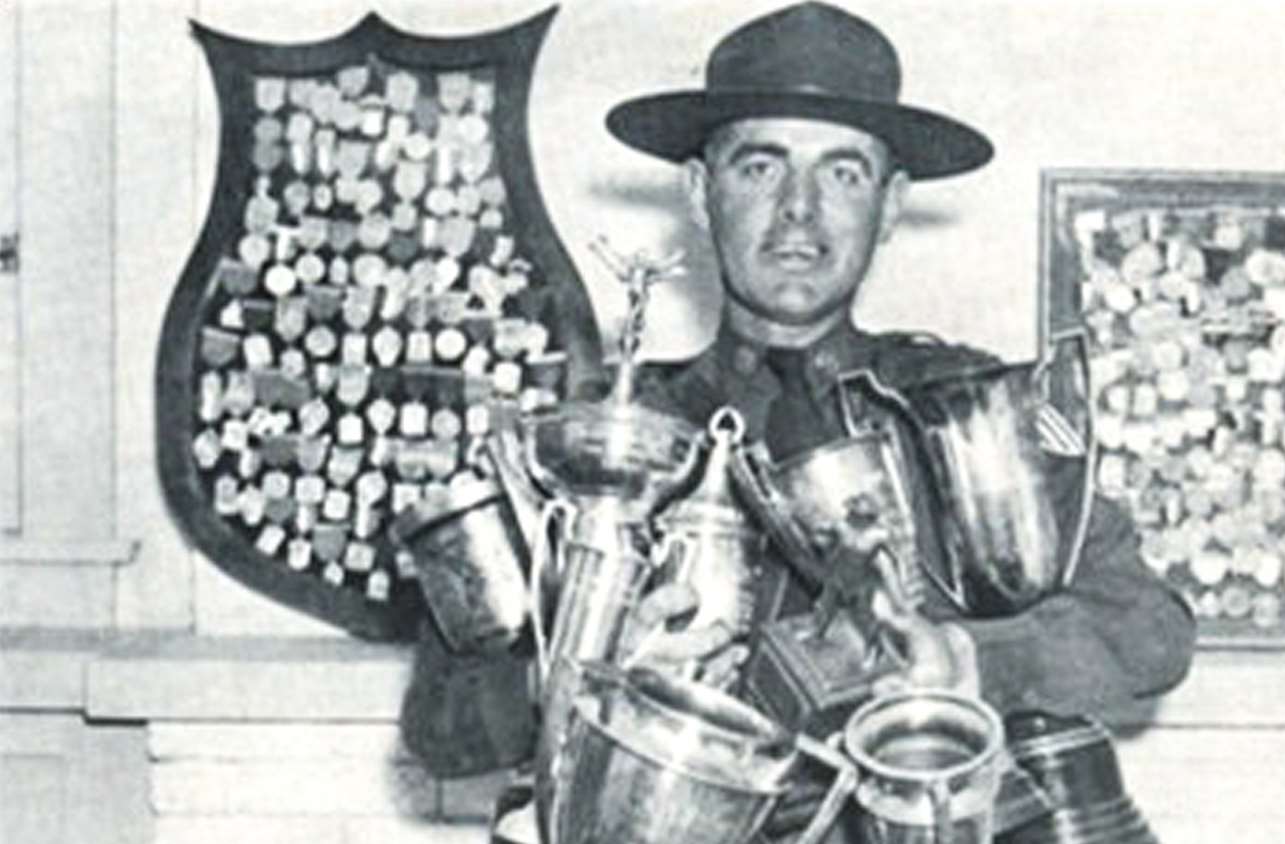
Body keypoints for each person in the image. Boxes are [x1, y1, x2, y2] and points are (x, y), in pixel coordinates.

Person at [400, 1, 1196, 839]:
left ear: (890, 205)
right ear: (701, 192)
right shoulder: (604, 447)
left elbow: (1150, 629)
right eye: (760, 168)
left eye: (843, 172)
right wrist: (591, 673)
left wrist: (973, 664)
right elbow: (441, 729)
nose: (799, 212)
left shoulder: (961, 410)